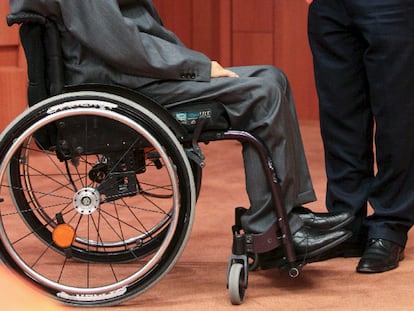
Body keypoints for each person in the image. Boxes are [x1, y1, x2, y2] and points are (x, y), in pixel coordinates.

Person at [9, 0, 352, 267]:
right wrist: (196, 67)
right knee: (261, 94)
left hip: (123, 73)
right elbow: (119, 43)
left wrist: (190, 64)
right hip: (117, 81)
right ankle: (272, 233)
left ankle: (288, 214)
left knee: (271, 77)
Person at [307, 0, 414, 272]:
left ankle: (389, 226)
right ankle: (346, 224)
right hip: (330, 8)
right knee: (339, 117)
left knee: (396, 118)